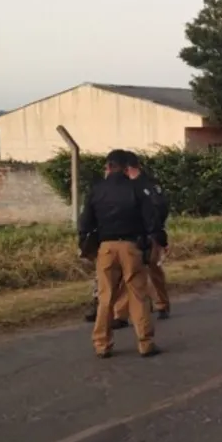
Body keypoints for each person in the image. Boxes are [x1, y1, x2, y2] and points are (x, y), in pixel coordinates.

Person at [78, 149, 162, 358]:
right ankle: (145, 342)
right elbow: (151, 221)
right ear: (126, 168)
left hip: (105, 247)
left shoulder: (96, 190)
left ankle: (102, 344)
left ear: (108, 167)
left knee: (106, 297)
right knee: (138, 295)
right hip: (131, 247)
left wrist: (87, 244)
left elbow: (85, 222)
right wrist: (155, 243)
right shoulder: (136, 189)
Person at [112, 152, 171, 321]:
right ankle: (121, 313)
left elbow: (160, 208)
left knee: (152, 269)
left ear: (127, 168)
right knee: (127, 272)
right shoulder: (127, 185)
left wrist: (158, 233)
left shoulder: (148, 185)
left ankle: (161, 304)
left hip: (149, 232)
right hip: (131, 234)